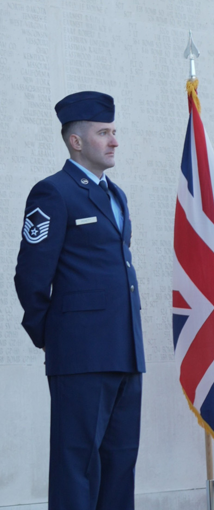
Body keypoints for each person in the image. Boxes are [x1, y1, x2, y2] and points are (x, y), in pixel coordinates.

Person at [14, 91, 145, 510]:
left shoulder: (117, 195)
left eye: (114, 131)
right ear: (76, 141)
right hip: (80, 355)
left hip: (125, 352)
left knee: (120, 466)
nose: (114, 141)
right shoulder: (53, 193)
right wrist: (53, 336)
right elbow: (31, 278)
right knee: (77, 468)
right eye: (103, 132)